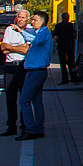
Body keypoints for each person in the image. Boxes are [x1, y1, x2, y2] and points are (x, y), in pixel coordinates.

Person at [11, 11, 52, 140]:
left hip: (36, 72)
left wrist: (21, 31)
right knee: (36, 101)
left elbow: (35, 40)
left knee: (24, 100)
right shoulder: (40, 33)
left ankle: (30, 129)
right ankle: (38, 128)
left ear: (42, 21)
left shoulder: (43, 33)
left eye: (34, 20)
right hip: (35, 71)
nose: (32, 22)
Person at [0, 7, 31, 137]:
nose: (21, 20)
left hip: (23, 67)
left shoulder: (30, 31)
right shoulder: (9, 30)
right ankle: (11, 126)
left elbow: (26, 50)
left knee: (24, 98)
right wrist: (19, 48)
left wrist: (11, 48)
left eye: (23, 18)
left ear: (27, 20)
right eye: (19, 17)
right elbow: (3, 47)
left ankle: (25, 125)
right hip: (10, 66)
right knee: (10, 98)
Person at [52, 11, 77, 84]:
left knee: (62, 63)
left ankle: (65, 79)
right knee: (71, 62)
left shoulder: (58, 26)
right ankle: (74, 78)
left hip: (61, 46)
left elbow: (55, 37)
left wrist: (53, 46)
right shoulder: (71, 26)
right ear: (68, 18)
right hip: (70, 46)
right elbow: (75, 35)